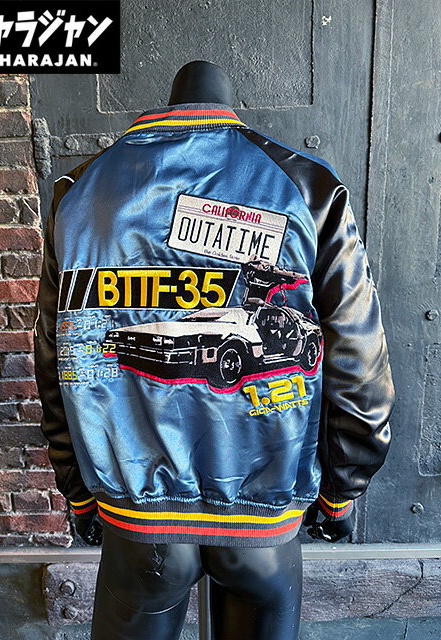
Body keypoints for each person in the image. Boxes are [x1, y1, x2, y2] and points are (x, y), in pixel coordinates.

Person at [33, 61, 395, 639]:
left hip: (139, 526)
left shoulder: (81, 191)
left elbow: (56, 362)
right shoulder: (306, 185)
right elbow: (358, 364)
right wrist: (340, 494)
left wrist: (78, 495)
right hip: (263, 524)